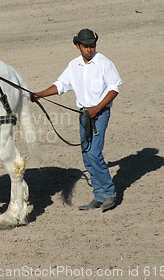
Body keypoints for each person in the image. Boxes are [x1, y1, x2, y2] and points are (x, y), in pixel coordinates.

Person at [31, 29, 122, 211]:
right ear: (78, 46)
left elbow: (114, 88)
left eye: (92, 46)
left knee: (94, 154)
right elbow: (61, 85)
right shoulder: (73, 65)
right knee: (87, 156)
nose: (90, 49)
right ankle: (98, 195)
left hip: (100, 113)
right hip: (84, 115)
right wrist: (40, 94)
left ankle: (109, 194)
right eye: (86, 46)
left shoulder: (104, 63)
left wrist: (97, 108)